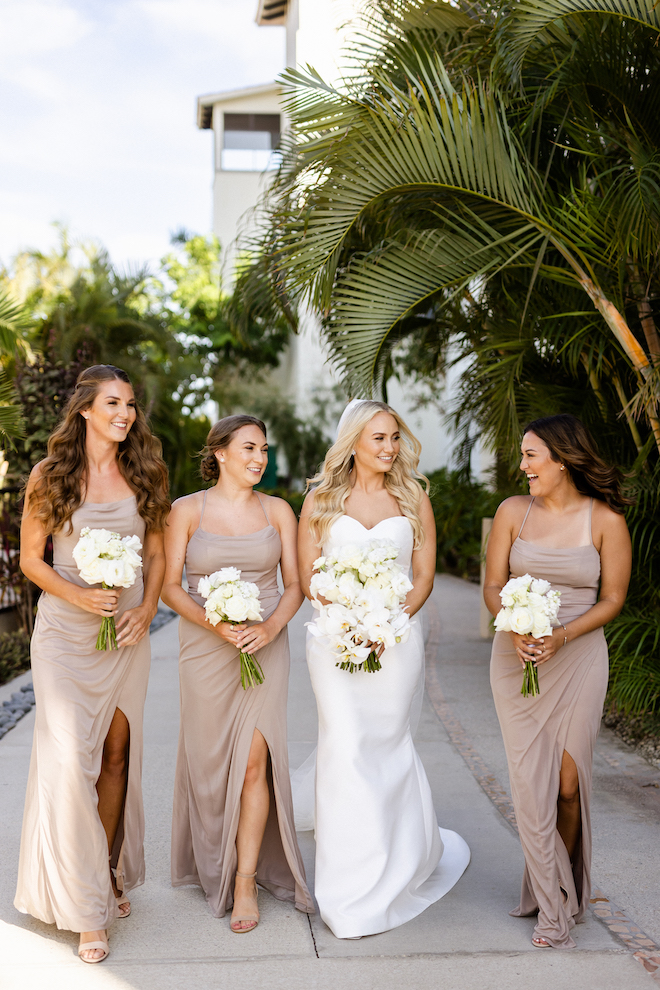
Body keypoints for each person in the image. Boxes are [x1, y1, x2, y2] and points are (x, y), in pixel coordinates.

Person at [297, 398, 470, 939]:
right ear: (353, 441)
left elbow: (423, 576)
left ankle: (399, 865)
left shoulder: (413, 496)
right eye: (379, 438)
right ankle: (346, 884)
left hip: (395, 640)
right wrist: (346, 618)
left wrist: (387, 621)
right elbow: (308, 576)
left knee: (387, 744)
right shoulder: (321, 499)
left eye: (395, 437)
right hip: (334, 641)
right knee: (345, 745)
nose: (390, 448)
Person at [16, 364, 169, 964]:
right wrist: (78, 595)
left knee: (114, 756)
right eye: (112, 402)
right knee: (65, 761)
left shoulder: (144, 471)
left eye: (129, 404)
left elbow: (157, 554)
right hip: (64, 635)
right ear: (84, 409)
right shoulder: (50, 475)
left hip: (127, 633)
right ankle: (85, 910)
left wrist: (147, 608)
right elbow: (32, 559)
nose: (124, 413)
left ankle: (105, 870)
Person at [484, 414, 632, 948]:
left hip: (579, 656)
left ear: (563, 458)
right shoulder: (510, 513)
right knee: (530, 785)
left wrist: (563, 635)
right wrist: (515, 624)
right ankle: (552, 905)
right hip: (516, 657)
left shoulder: (605, 519)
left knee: (568, 787)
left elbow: (613, 598)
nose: (522, 466)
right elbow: (494, 584)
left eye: (531, 456)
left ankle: (563, 885)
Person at [162, 415, 313, 932]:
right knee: (210, 767)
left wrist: (270, 629)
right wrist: (215, 623)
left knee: (254, 762)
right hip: (206, 650)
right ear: (220, 452)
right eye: (249, 447)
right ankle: (213, 863)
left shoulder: (278, 511)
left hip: (265, 646)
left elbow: (295, 584)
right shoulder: (186, 510)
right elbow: (169, 587)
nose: (259, 458)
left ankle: (246, 879)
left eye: (265, 450)